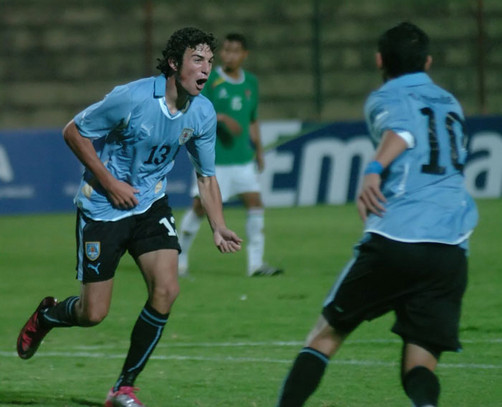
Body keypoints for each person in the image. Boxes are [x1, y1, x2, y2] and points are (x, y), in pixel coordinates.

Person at [16, 27, 242, 407]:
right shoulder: (132, 97)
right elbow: (73, 132)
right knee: (93, 314)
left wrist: (218, 225)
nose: (206, 69)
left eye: (210, 62)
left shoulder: (202, 112)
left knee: (168, 289)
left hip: (151, 206)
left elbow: (206, 176)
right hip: (103, 209)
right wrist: (110, 183)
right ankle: (48, 316)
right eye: (198, 60)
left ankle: (123, 388)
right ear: (174, 63)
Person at [276, 22, 478, 407]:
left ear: (379, 60)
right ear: (429, 61)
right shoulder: (450, 101)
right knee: (419, 363)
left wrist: (373, 169)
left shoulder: (386, 97)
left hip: (398, 237)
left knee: (325, 335)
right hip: (451, 247)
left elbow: (401, 133)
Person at [177, 33, 282, 277]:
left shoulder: (251, 83)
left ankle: (255, 264)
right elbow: (194, 112)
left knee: (255, 203)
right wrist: (222, 118)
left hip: (243, 160)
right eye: (225, 50)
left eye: (235, 51)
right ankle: (179, 260)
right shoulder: (210, 80)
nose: (229, 55)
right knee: (200, 208)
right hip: (214, 161)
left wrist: (258, 150)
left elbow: (253, 119)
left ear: (244, 55)